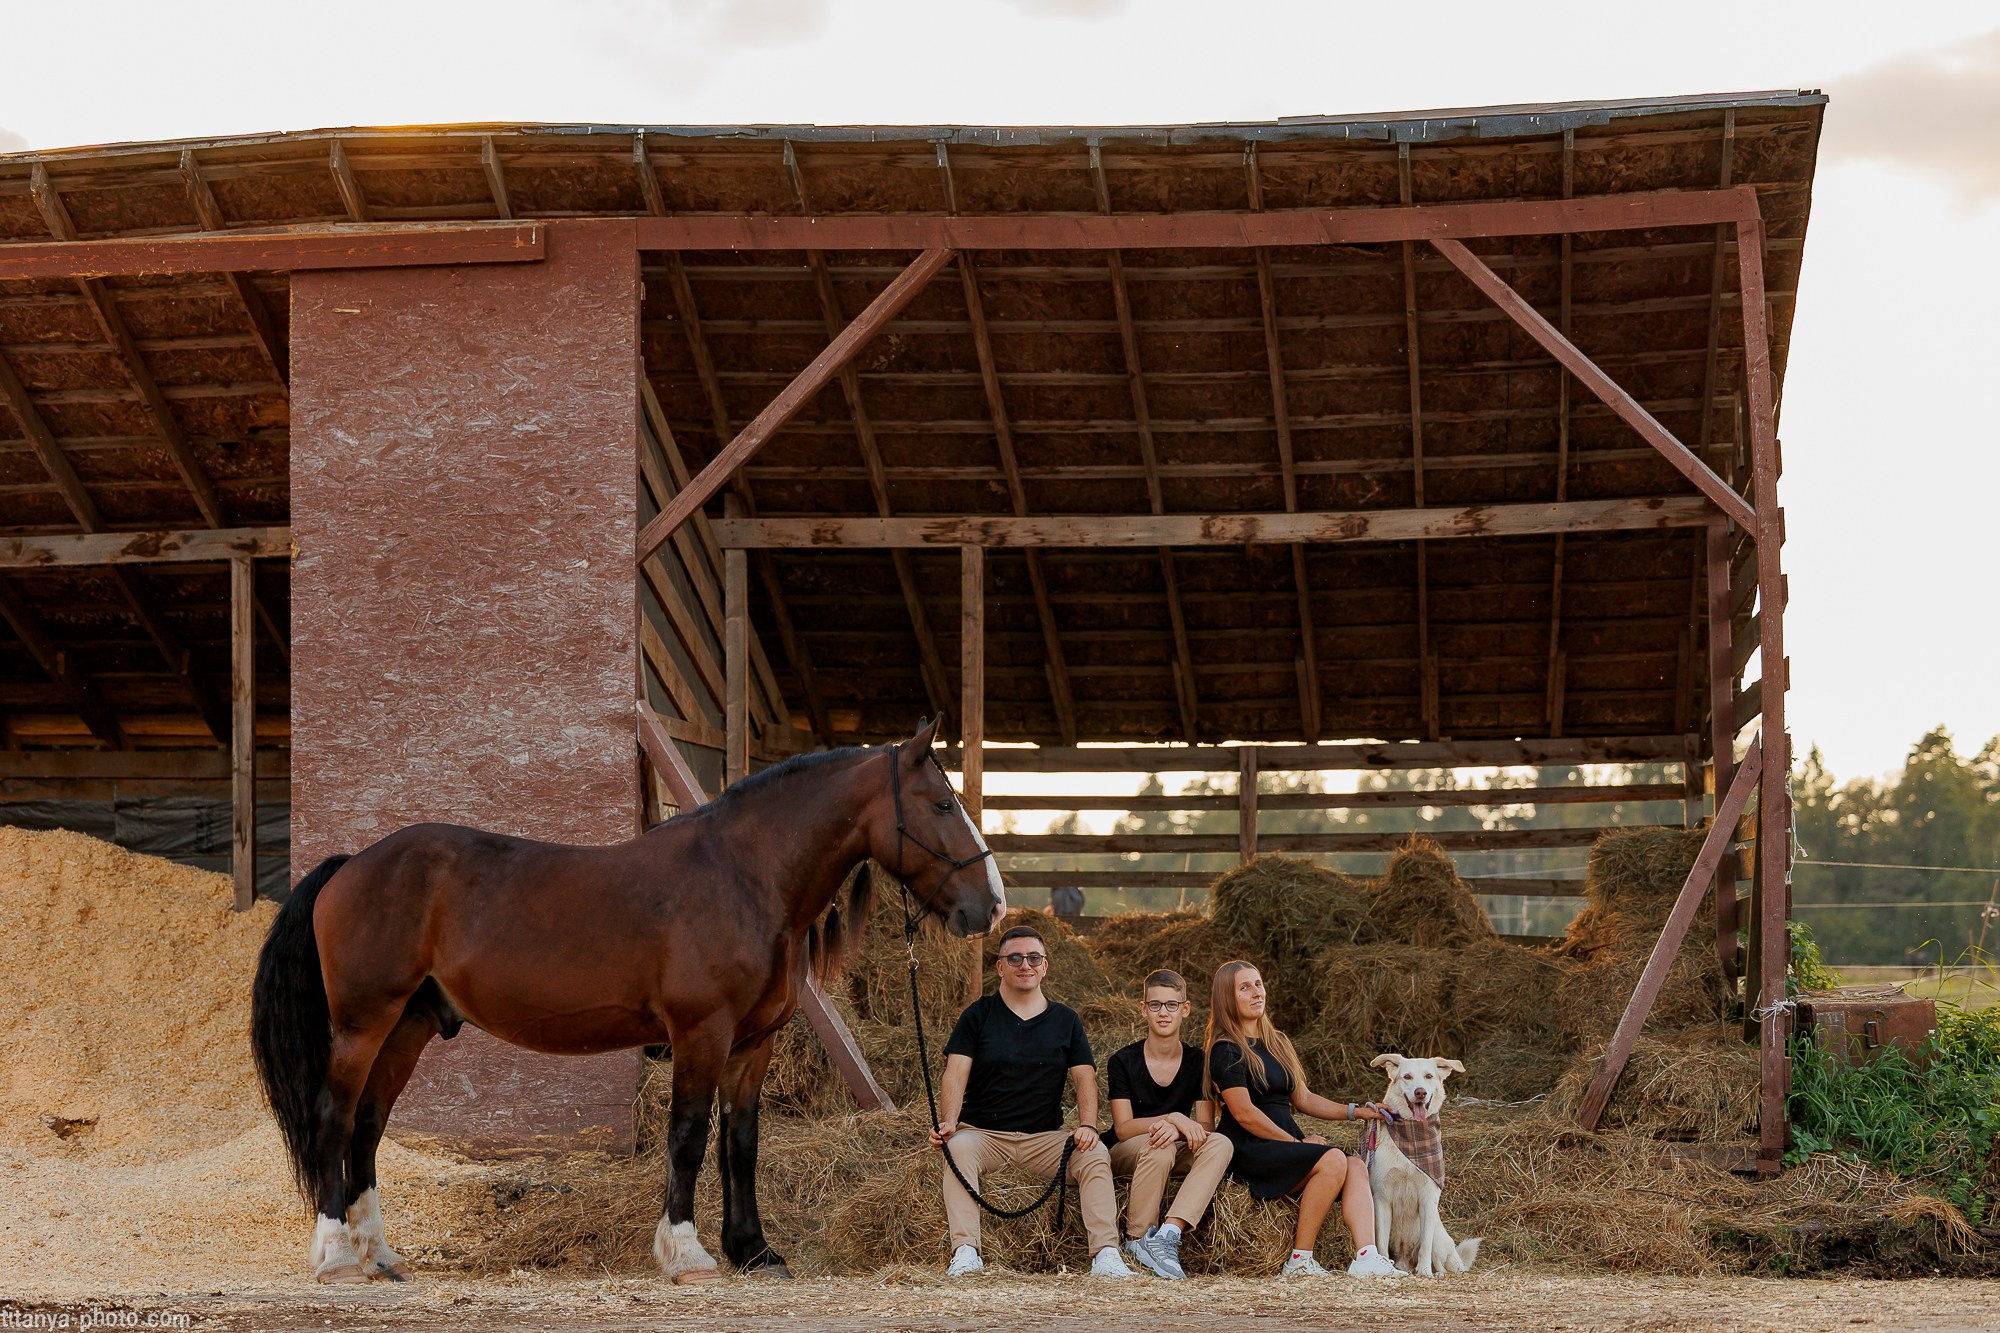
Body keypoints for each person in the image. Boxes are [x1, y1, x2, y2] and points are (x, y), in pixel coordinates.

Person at [931, 925, 1134, 1278]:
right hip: (985, 1134)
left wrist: (1087, 1125)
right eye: (1015, 957)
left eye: (1033, 958)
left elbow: (1085, 1077)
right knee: (958, 1149)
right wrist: (948, 1122)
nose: (1025, 964)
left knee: (1096, 1152)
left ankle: (1106, 1254)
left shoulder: (1065, 1020)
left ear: (1045, 966)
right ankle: (965, 1252)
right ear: (1000, 966)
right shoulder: (977, 1016)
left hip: (1045, 1140)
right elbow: (955, 1073)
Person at [1205, 960, 1402, 1278]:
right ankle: (1299, 1260)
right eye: (1245, 987)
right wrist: (1297, 1144)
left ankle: (1366, 1256)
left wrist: (1354, 1111)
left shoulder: (1277, 1041)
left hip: (1282, 1143)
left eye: (1258, 984)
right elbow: (1244, 1113)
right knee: (1333, 1160)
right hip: (1251, 1147)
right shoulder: (1226, 1050)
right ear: (1227, 998)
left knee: (1353, 1166)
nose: (1257, 992)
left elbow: (1304, 1099)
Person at [1106, 968, 1234, 1280]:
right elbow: (1123, 1127)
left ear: (1185, 1009)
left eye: (1172, 1005)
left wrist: (1179, 1126)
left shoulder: (1199, 1062)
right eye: (1155, 1005)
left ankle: (1167, 1235)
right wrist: (1171, 1118)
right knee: (1159, 1145)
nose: (1164, 1013)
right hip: (1127, 1150)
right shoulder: (1122, 1061)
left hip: (1174, 1147)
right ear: (1143, 1008)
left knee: (1221, 1143)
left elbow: (1205, 1125)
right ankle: (1138, 1238)